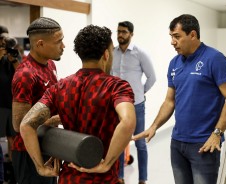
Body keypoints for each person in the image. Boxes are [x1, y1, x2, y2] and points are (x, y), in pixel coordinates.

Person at [19, 24, 136, 184]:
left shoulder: (60, 87)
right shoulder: (116, 86)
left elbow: (26, 124)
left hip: (68, 178)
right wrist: (107, 163)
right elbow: (128, 121)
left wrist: (40, 167)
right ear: (106, 55)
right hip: (102, 179)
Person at [133, 14, 226, 184]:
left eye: (177, 36)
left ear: (193, 35)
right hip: (178, 143)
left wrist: (217, 133)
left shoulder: (215, 59)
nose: (172, 42)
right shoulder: (174, 63)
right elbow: (169, 101)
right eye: (171, 37)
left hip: (204, 144)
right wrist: (154, 126)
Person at [11, 17, 65, 184]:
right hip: (28, 152)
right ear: (40, 44)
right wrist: (58, 118)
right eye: (59, 42)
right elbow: (19, 123)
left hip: (48, 144)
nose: (63, 46)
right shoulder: (25, 74)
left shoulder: (50, 65)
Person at [111, 21, 156, 184]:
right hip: (116, 105)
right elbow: (109, 74)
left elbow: (152, 77)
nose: (120, 35)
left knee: (140, 143)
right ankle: (120, 177)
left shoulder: (139, 53)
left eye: (124, 32)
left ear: (131, 34)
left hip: (136, 104)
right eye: (118, 31)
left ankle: (142, 179)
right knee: (119, 141)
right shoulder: (112, 53)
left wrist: (140, 93)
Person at [0, 25, 19, 184]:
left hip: (11, 104)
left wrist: (13, 60)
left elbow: (21, 74)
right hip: (0, 105)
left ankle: (13, 175)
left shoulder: (12, 55)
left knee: (13, 140)